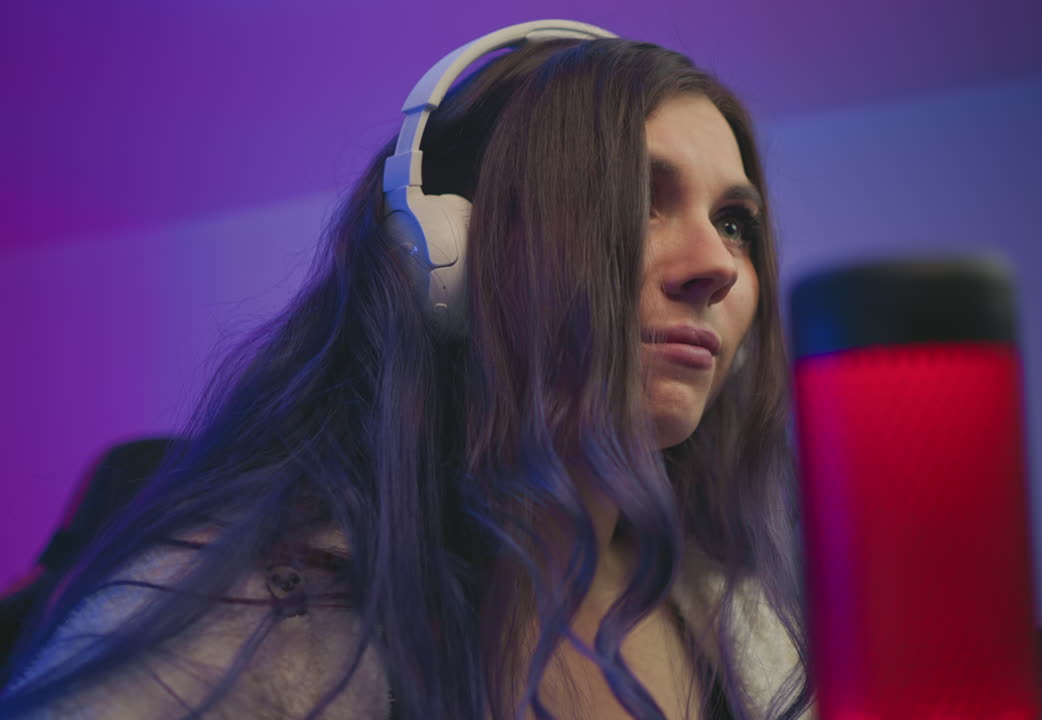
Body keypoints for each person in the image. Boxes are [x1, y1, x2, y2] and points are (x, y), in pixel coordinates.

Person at [0, 22, 812, 720]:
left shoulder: (747, 624)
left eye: (735, 221)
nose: (719, 266)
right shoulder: (251, 616)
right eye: (637, 198)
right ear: (443, 257)